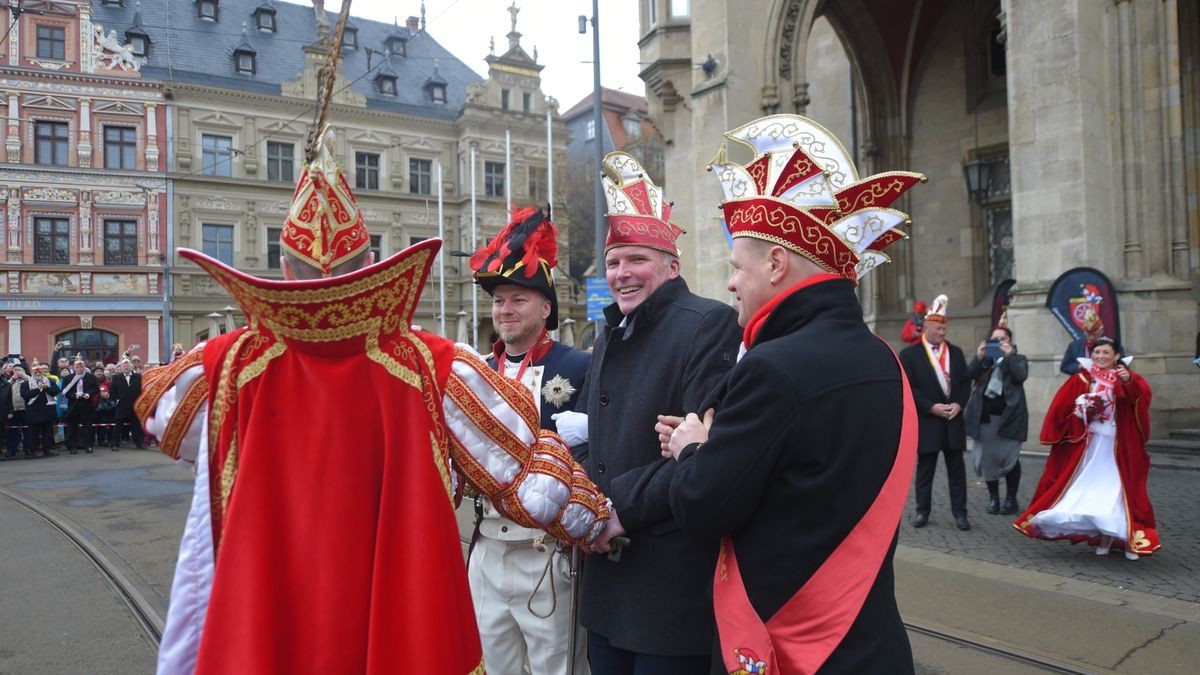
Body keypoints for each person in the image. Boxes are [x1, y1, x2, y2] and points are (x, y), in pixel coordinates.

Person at [138, 122, 618, 675]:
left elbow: (159, 411)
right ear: (370, 265)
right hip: (402, 621)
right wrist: (599, 522)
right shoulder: (431, 364)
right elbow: (527, 473)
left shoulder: (227, 364)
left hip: (271, 615)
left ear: (284, 268)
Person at [659, 112, 922, 673]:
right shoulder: (885, 360)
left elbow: (704, 508)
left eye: (737, 267)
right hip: (870, 644)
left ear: (777, 263)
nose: (729, 283)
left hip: (785, 647)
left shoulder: (773, 369)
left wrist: (691, 447)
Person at [565, 151, 741, 672]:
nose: (622, 274)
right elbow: (591, 439)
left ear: (671, 266)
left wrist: (611, 511)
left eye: (637, 260)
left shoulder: (707, 325)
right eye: (615, 262)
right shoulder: (611, 332)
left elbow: (697, 459)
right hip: (606, 579)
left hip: (667, 582)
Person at [466, 206, 592, 675]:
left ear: (545, 307)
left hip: (548, 552)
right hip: (487, 547)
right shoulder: (477, 371)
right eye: (499, 300)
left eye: (518, 299)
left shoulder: (578, 366)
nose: (505, 309)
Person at [1014, 337, 1159, 559]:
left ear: (1116, 356)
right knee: (1092, 490)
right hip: (1090, 447)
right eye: (1097, 352)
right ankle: (1104, 537)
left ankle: (1126, 539)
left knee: (1118, 491)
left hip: (1119, 446)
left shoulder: (1126, 376)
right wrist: (1082, 411)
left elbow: (1142, 400)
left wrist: (1129, 382)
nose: (1100, 357)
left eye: (1105, 353)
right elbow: (1061, 408)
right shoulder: (1082, 378)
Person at [899, 295, 972, 531]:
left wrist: (959, 404)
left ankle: (960, 513)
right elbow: (910, 387)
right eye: (939, 328)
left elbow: (964, 384)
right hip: (929, 419)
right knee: (925, 470)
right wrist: (931, 406)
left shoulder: (957, 353)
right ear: (927, 327)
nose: (942, 332)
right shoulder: (910, 355)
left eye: (944, 328)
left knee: (957, 471)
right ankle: (922, 511)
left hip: (953, 419)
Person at [965, 325, 1029, 515]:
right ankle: (994, 498)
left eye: (1003, 339)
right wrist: (979, 357)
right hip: (986, 419)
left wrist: (1009, 357)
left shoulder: (1018, 359)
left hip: (1009, 419)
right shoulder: (986, 360)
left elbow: (1021, 375)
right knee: (987, 460)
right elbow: (968, 376)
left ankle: (1011, 499)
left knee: (1010, 458)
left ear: (1010, 341)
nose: (999, 342)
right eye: (995, 338)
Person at [62, 359, 100, 454]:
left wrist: (88, 394)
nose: (79, 368)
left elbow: (96, 389)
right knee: (72, 428)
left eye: (81, 366)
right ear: (74, 368)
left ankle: (88, 446)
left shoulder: (90, 377)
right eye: (77, 367)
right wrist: (74, 395)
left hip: (87, 405)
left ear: (84, 367)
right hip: (73, 406)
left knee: (88, 428)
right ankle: (73, 446)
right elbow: (65, 392)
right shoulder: (68, 378)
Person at [21, 365, 59, 457]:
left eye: (39, 371)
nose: (38, 373)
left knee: (48, 432)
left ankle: (48, 448)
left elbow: (56, 391)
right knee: (33, 432)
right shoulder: (25, 384)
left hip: (47, 410)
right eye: (35, 371)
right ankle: (35, 449)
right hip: (33, 411)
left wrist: (47, 388)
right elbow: (25, 395)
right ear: (32, 372)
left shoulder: (50, 381)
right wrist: (38, 389)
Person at [110, 359, 143, 449]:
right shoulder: (117, 378)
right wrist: (116, 400)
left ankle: (139, 443)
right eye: (124, 366)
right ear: (121, 368)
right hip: (122, 405)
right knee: (118, 426)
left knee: (136, 426)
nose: (126, 368)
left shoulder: (138, 376)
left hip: (134, 405)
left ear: (131, 367)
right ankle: (115, 444)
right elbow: (113, 391)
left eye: (128, 366)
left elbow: (141, 389)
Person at [5, 365, 28, 458]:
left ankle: (28, 449)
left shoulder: (28, 379)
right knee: (11, 431)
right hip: (13, 410)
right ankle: (11, 450)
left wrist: (25, 377)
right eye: (15, 370)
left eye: (19, 370)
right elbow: (5, 389)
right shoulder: (8, 381)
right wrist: (12, 379)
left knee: (27, 430)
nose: (17, 372)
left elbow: (34, 384)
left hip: (25, 408)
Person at [93, 367, 115, 449]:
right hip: (93, 405)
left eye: (100, 371)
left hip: (104, 406)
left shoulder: (108, 382)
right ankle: (91, 440)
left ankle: (102, 440)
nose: (99, 373)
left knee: (102, 425)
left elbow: (113, 392)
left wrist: (107, 395)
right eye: (97, 371)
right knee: (92, 424)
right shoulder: (91, 381)